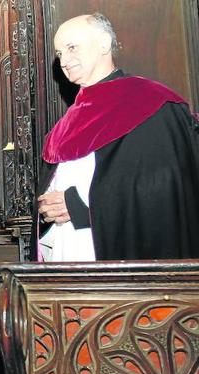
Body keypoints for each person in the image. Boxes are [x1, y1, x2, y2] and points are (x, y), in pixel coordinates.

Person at [34, 13, 199, 261]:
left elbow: (165, 185)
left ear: (103, 43)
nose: (64, 60)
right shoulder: (65, 124)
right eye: (59, 53)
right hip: (67, 251)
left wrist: (80, 206)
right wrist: (47, 210)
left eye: (71, 47)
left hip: (125, 258)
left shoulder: (149, 102)